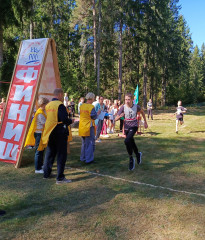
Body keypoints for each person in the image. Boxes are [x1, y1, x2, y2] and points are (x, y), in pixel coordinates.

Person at [42, 88, 73, 184]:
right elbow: (64, 119)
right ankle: (60, 178)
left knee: (50, 152)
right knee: (61, 154)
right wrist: (71, 121)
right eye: (62, 95)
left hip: (50, 131)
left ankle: (46, 174)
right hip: (59, 131)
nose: (62, 97)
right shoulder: (60, 105)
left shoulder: (48, 105)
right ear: (59, 94)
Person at [115, 93, 148, 171]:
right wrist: (120, 116)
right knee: (131, 142)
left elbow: (142, 112)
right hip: (126, 127)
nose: (127, 101)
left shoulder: (136, 107)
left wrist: (145, 122)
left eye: (128, 99)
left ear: (132, 100)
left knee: (127, 141)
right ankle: (137, 154)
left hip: (134, 126)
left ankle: (131, 158)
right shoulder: (123, 107)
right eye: (126, 99)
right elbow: (116, 118)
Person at [25, 97, 49, 173]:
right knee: (38, 151)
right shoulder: (39, 113)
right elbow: (45, 123)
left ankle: (41, 164)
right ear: (43, 104)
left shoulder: (43, 111)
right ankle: (37, 168)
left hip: (41, 133)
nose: (47, 105)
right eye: (46, 104)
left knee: (42, 149)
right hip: (39, 133)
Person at [79, 92, 99, 164]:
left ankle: (83, 157)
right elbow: (94, 117)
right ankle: (89, 159)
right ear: (92, 98)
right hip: (88, 126)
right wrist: (98, 113)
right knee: (90, 143)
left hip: (82, 126)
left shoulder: (81, 106)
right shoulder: (91, 107)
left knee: (84, 143)